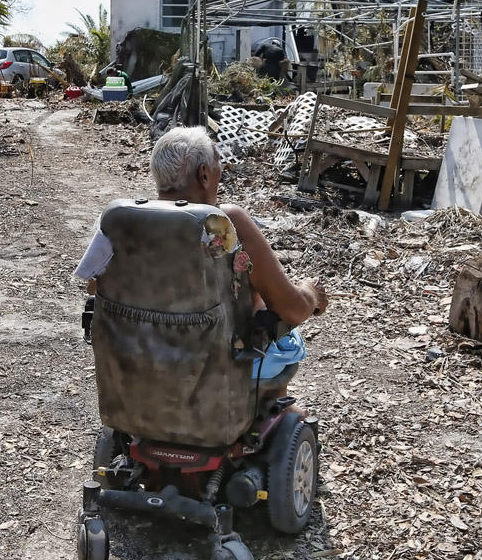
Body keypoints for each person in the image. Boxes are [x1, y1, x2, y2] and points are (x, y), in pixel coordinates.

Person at [75, 126, 328, 388]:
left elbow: (96, 288)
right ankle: (273, 408)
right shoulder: (223, 223)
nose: (222, 168)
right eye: (218, 161)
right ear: (204, 174)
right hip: (218, 368)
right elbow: (293, 310)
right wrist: (310, 292)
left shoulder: (124, 221)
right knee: (285, 336)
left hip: (143, 357)